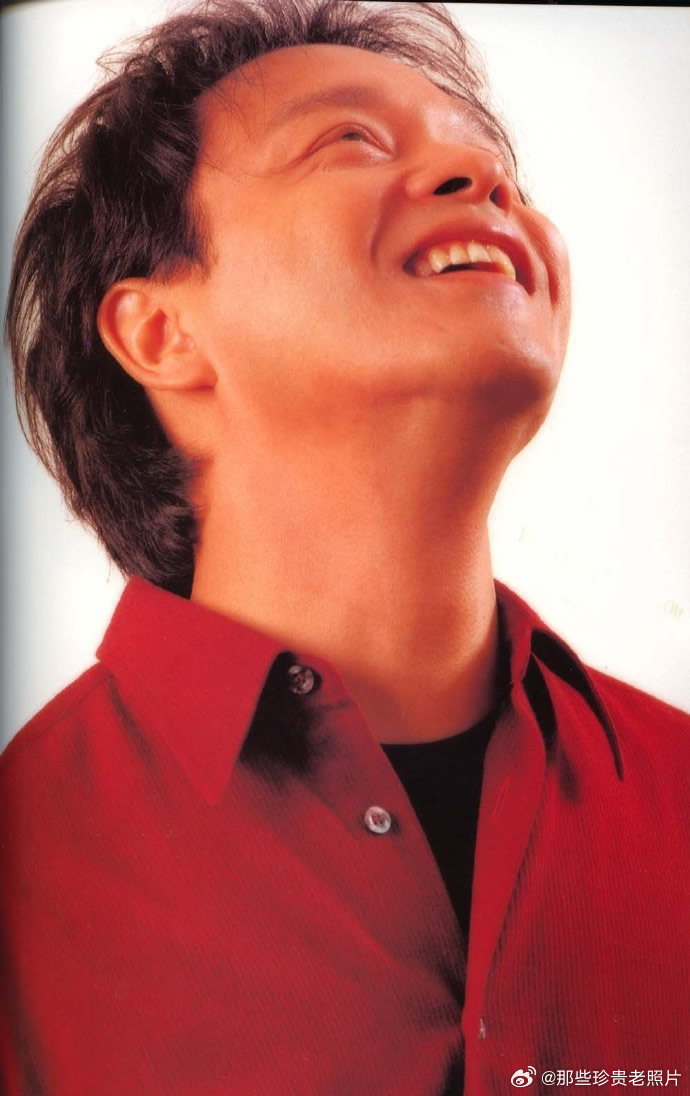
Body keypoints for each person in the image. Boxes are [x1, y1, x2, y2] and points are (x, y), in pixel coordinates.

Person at [1, 1, 688, 1093]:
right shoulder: (24, 864)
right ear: (162, 333)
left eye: (494, 163)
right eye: (352, 140)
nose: (483, 178)